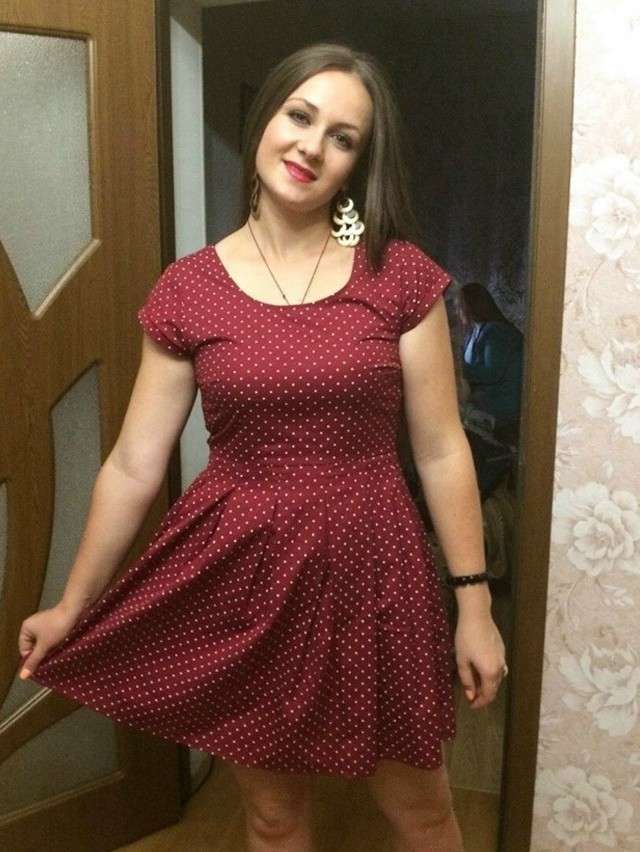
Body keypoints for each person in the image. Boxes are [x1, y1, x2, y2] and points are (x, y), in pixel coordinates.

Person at [18, 44, 506, 852]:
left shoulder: (398, 276)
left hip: (375, 566)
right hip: (242, 575)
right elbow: (134, 464)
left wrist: (475, 606)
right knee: (274, 819)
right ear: (265, 119)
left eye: (343, 137)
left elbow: (443, 449)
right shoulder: (188, 289)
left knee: (422, 812)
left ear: (358, 163)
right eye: (299, 116)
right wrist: (72, 603)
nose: (312, 146)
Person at [456, 282, 523, 499]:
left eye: (460, 305)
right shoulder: (474, 332)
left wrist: (454, 367)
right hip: (483, 397)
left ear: (472, 305)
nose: (458, 310)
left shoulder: (496, 332)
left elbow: (492, 373)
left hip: (502, 401)